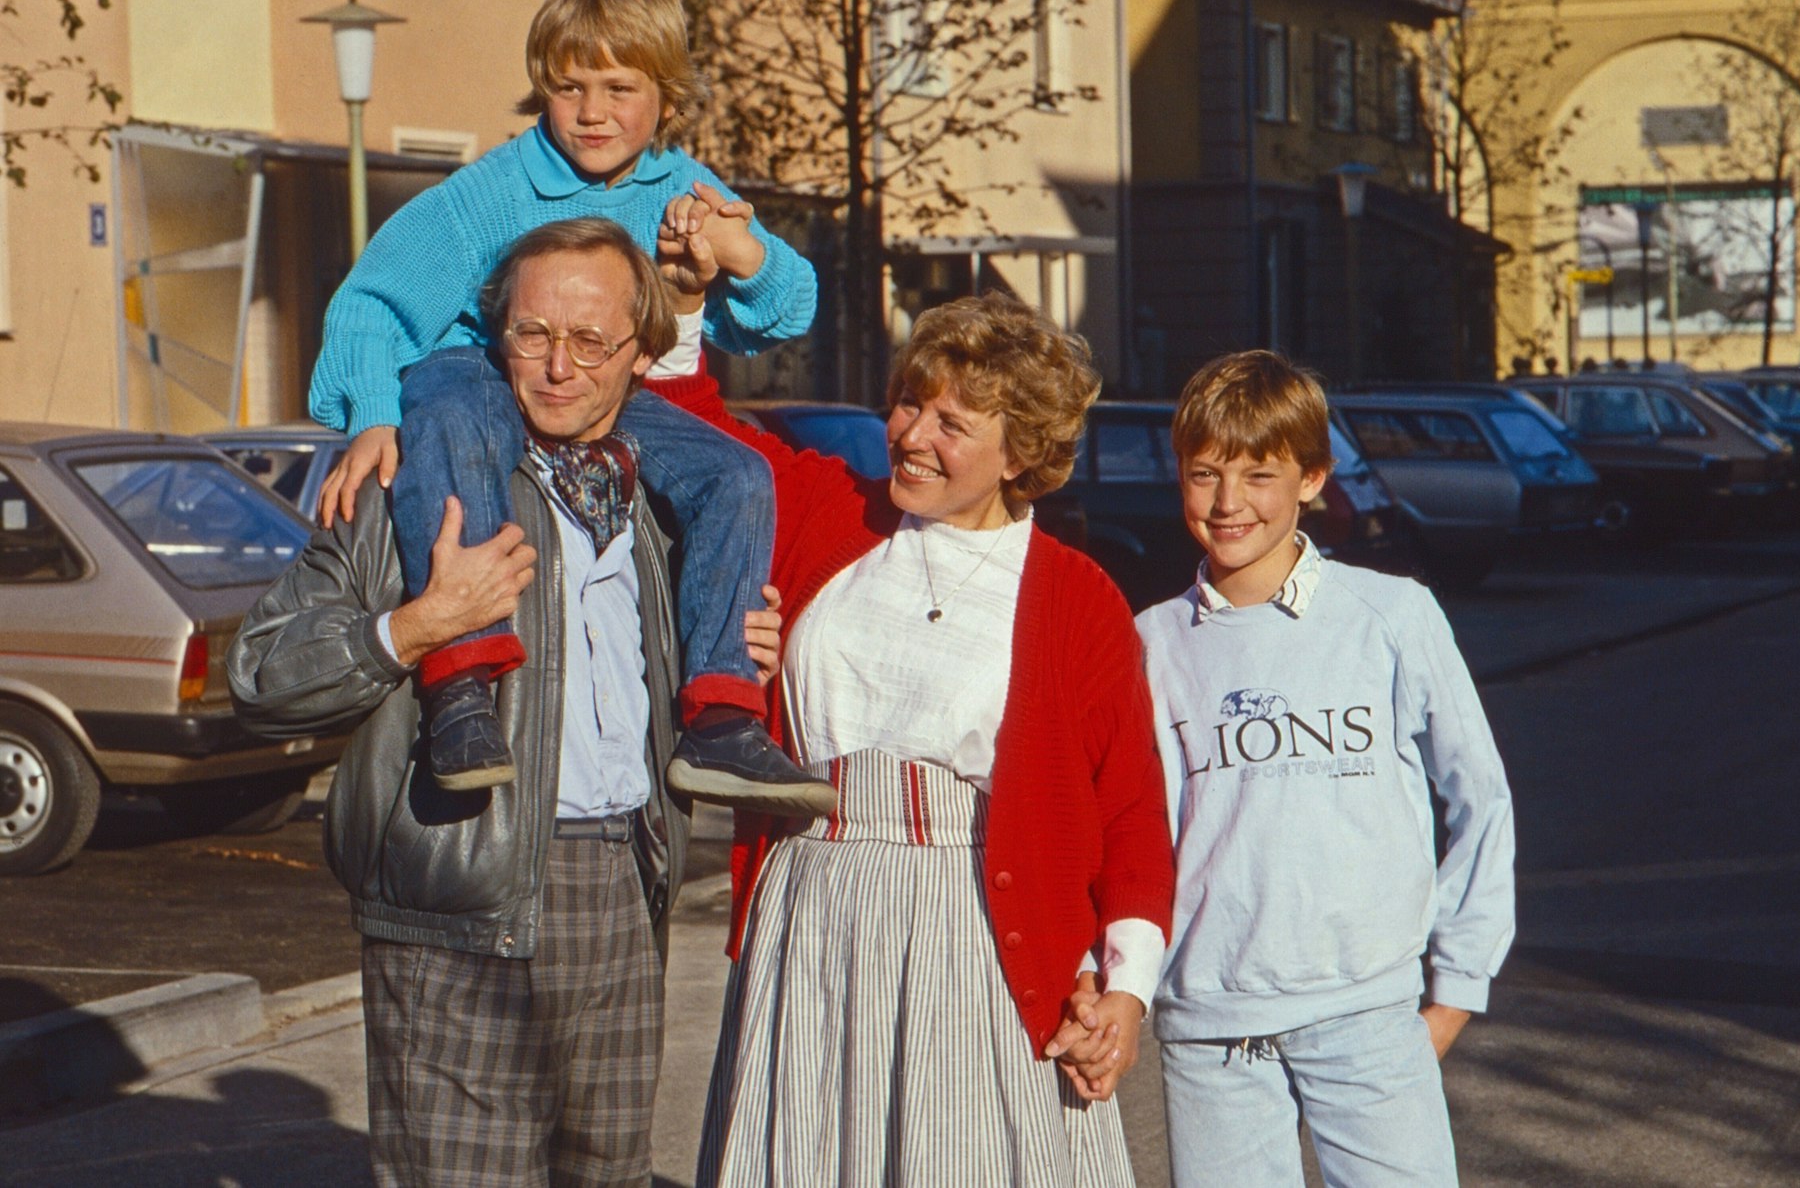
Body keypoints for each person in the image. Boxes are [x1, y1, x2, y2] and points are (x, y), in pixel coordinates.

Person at [229, 220, 780, 1186]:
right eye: (533, 335)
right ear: (497, 336)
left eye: (591, 341)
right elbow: (261, 674)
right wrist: (419, 625)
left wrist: (734, 649)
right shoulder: (412, 487)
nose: (559, 368)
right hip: (457, 903)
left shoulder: (663, 506)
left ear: (642, 352)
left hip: (624, 891)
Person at [644, 291, 1175, 1187]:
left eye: (952, 423)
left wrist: (1125, 988)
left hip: (975, 926)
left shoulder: (1077, 597)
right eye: (907, 403)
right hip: (812, 905)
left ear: (1021, 452)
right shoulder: (829, 512)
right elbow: (692, 428)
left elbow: (1129, 812)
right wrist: (688, 298)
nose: (912, 435)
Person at [309, 0, 829, 817]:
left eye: (620, 89)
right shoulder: (492, 191)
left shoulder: (684, 187)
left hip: (603, 393)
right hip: (487, 369)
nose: (593, 112)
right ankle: (462, 688)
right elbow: (371, 301)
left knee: (739, 473)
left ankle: (721, 715)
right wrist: (371, 413)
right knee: (451, 404)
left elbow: (787, 310)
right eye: (569, 87)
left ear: (666, 95)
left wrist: (742, 254)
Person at [1134, 350, 1517, 1187]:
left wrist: (1457, 986)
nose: (1228, 502)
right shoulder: (1151, 641)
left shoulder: (1392, 614)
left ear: (1312, 477)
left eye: (1258, 475)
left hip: (1366, 1010)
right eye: (1204, 474)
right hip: (1211, 1023)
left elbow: (1480, 797)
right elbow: (1133, 835)